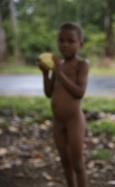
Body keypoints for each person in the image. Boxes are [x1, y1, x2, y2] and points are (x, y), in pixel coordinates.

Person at [38, 22, 89, 187]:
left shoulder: (82, 64)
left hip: (74, 120)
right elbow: (48, 93)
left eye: (70, 40)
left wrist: (59, 72)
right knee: (65, 162)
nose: (65, 44)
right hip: (58, 121)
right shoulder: (57, 65)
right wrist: (46, 74)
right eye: (61, 40)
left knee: (77, 163)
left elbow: (79, 92)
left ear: (80, 44)